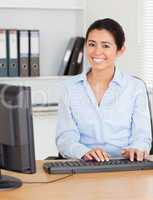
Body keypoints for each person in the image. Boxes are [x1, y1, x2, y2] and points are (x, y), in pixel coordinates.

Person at [56, 18, 152, 162]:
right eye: (92, 44)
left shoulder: (135, 87)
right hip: (85, 165)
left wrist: (137, 149)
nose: (97, 52)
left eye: (106, 46)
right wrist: (84, 152)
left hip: (125, 165)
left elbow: (142, 135)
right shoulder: (70, 88)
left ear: (120, 50)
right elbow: (65, 138)